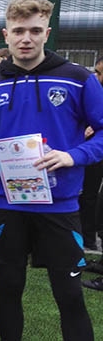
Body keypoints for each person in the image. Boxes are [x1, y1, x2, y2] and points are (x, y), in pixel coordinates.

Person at [0, 0, 103, 340]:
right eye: (19, 30)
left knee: (69, 294)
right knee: (9, 289)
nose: (26, 38)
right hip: (5, 205)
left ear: (47, 32)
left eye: (35, 30)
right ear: (5, 34)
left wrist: (73, 155)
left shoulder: (78, 78)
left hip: (59, 205)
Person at [79, 55, 103, 253]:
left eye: (101, 73)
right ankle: (88, 239)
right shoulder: (93, 90)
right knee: (89, 195)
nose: (98, 77)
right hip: (95, 153)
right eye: (97, 72)